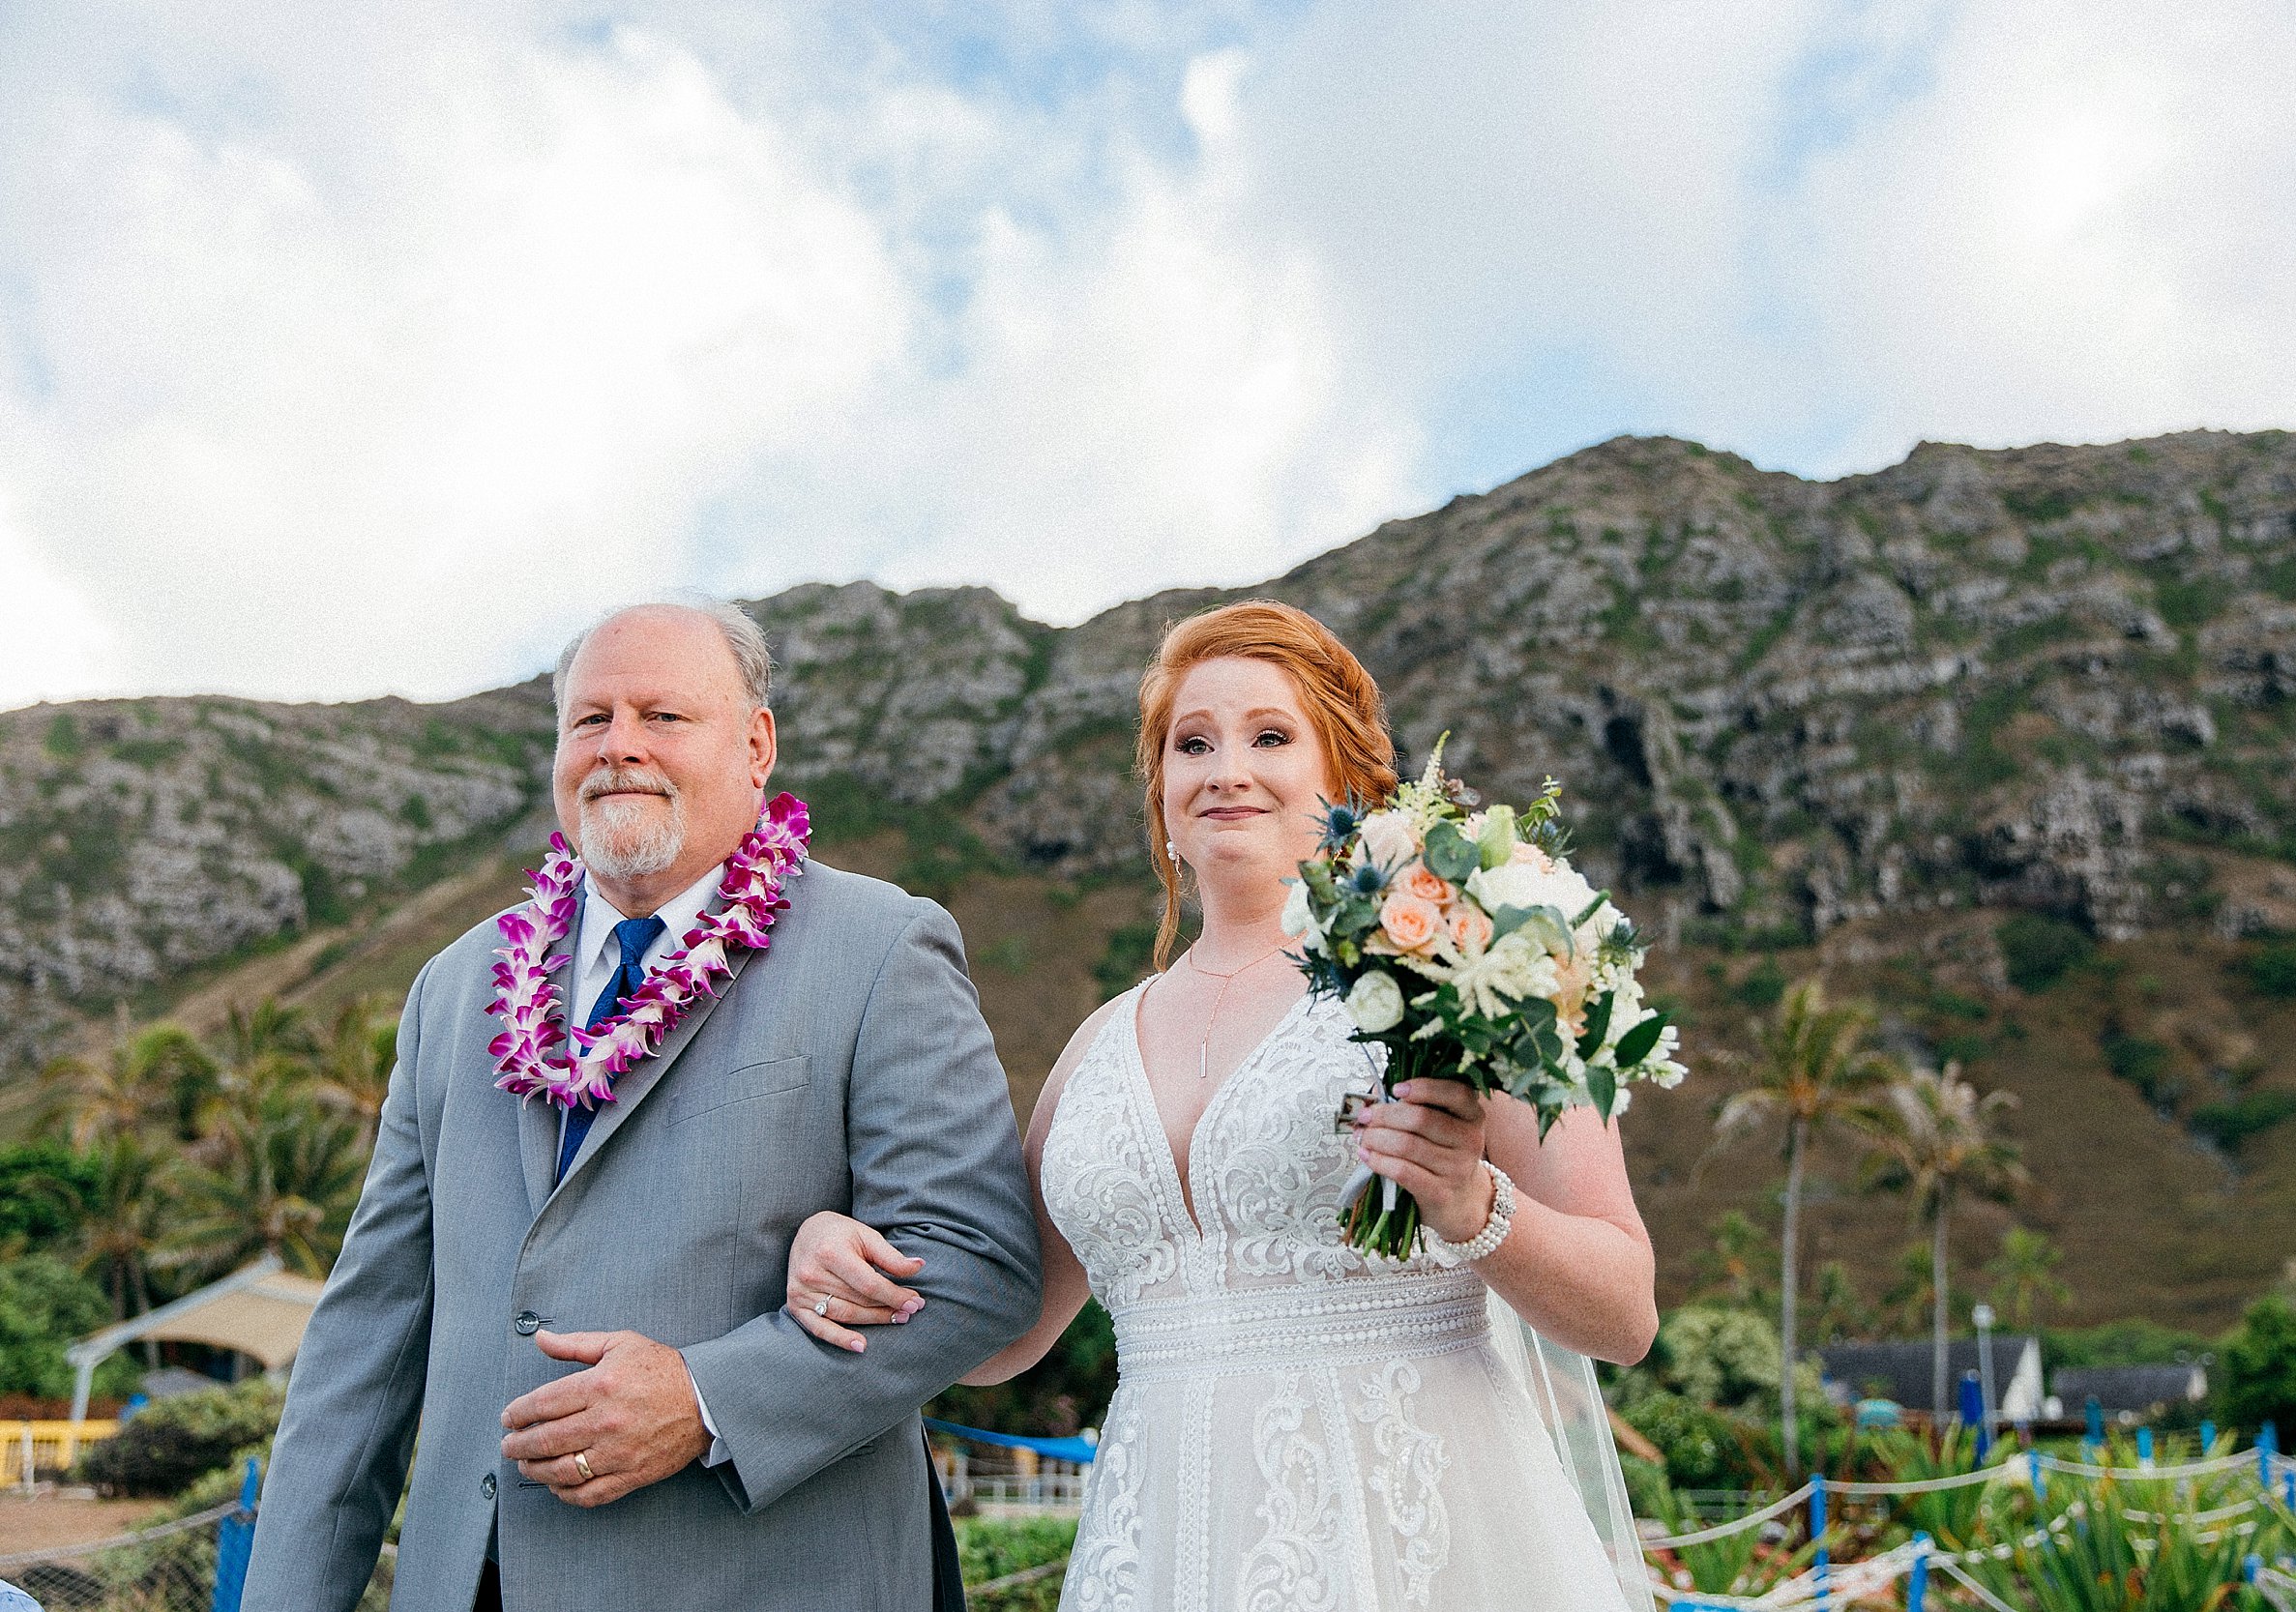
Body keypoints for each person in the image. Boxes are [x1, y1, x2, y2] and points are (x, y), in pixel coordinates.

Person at [787, 599, 1660, 1611]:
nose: (1225, 768)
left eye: (1271, 736)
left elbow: (1625, 1310)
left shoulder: (1451, 975)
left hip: (1416, 1542)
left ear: (1342, 775)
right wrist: (834, 1247)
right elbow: (999, 1332)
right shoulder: (1094, 1049)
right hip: (1158, 1547)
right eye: (1190, 742)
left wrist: (1474, 1208)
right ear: (1159, 789)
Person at [243, 601, 1044, 1612]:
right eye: (590, 719)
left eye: (663, 715)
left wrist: (708, 1399)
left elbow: (979, 1263)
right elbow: (364, 1340)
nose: (620, 745)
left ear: (755, 744)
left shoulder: (881, 947)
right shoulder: (455, 988)